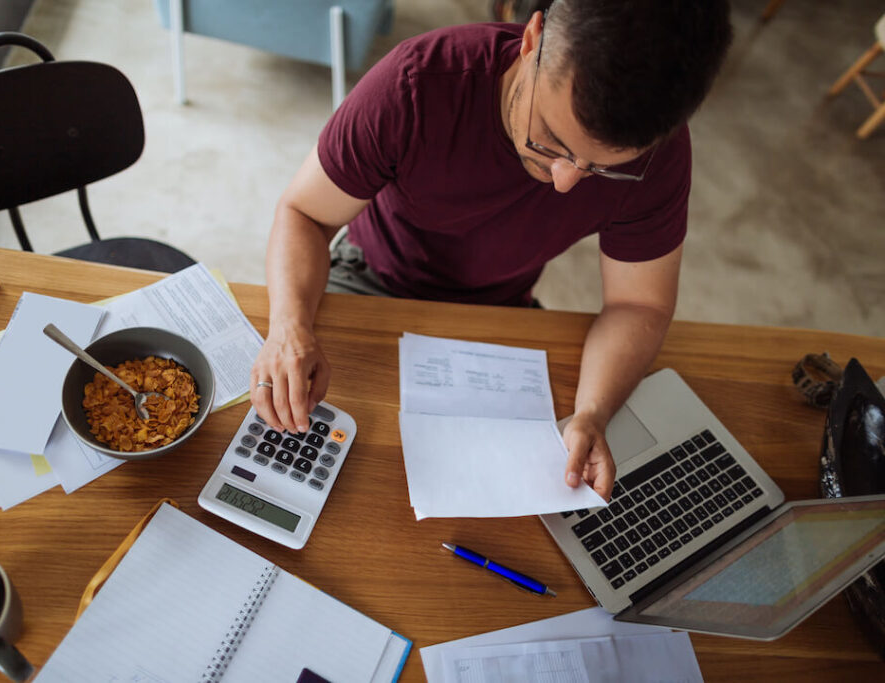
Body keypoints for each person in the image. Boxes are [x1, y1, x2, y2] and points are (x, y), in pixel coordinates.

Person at [248, 0, 733, 501]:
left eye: (602, 168)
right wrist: (287, 328)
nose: (566, 181)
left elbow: (639, 303)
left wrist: (591, 411)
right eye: (550, 141)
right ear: (531, 41)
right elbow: (304, 213)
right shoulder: (416, 84)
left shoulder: (659, 154)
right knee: (320, 465)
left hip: (504, 305)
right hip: (375, 277)